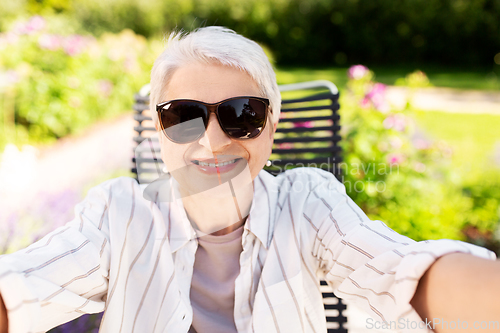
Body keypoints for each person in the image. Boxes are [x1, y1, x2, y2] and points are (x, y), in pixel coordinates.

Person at [0, 26, 499, 333]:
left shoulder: (308, 203)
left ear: (272, 128)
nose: (213, 141)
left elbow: (399, 268)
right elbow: (25, 286)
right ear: (159, 129)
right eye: (185, 116)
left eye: (242, 114)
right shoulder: (118, 213)